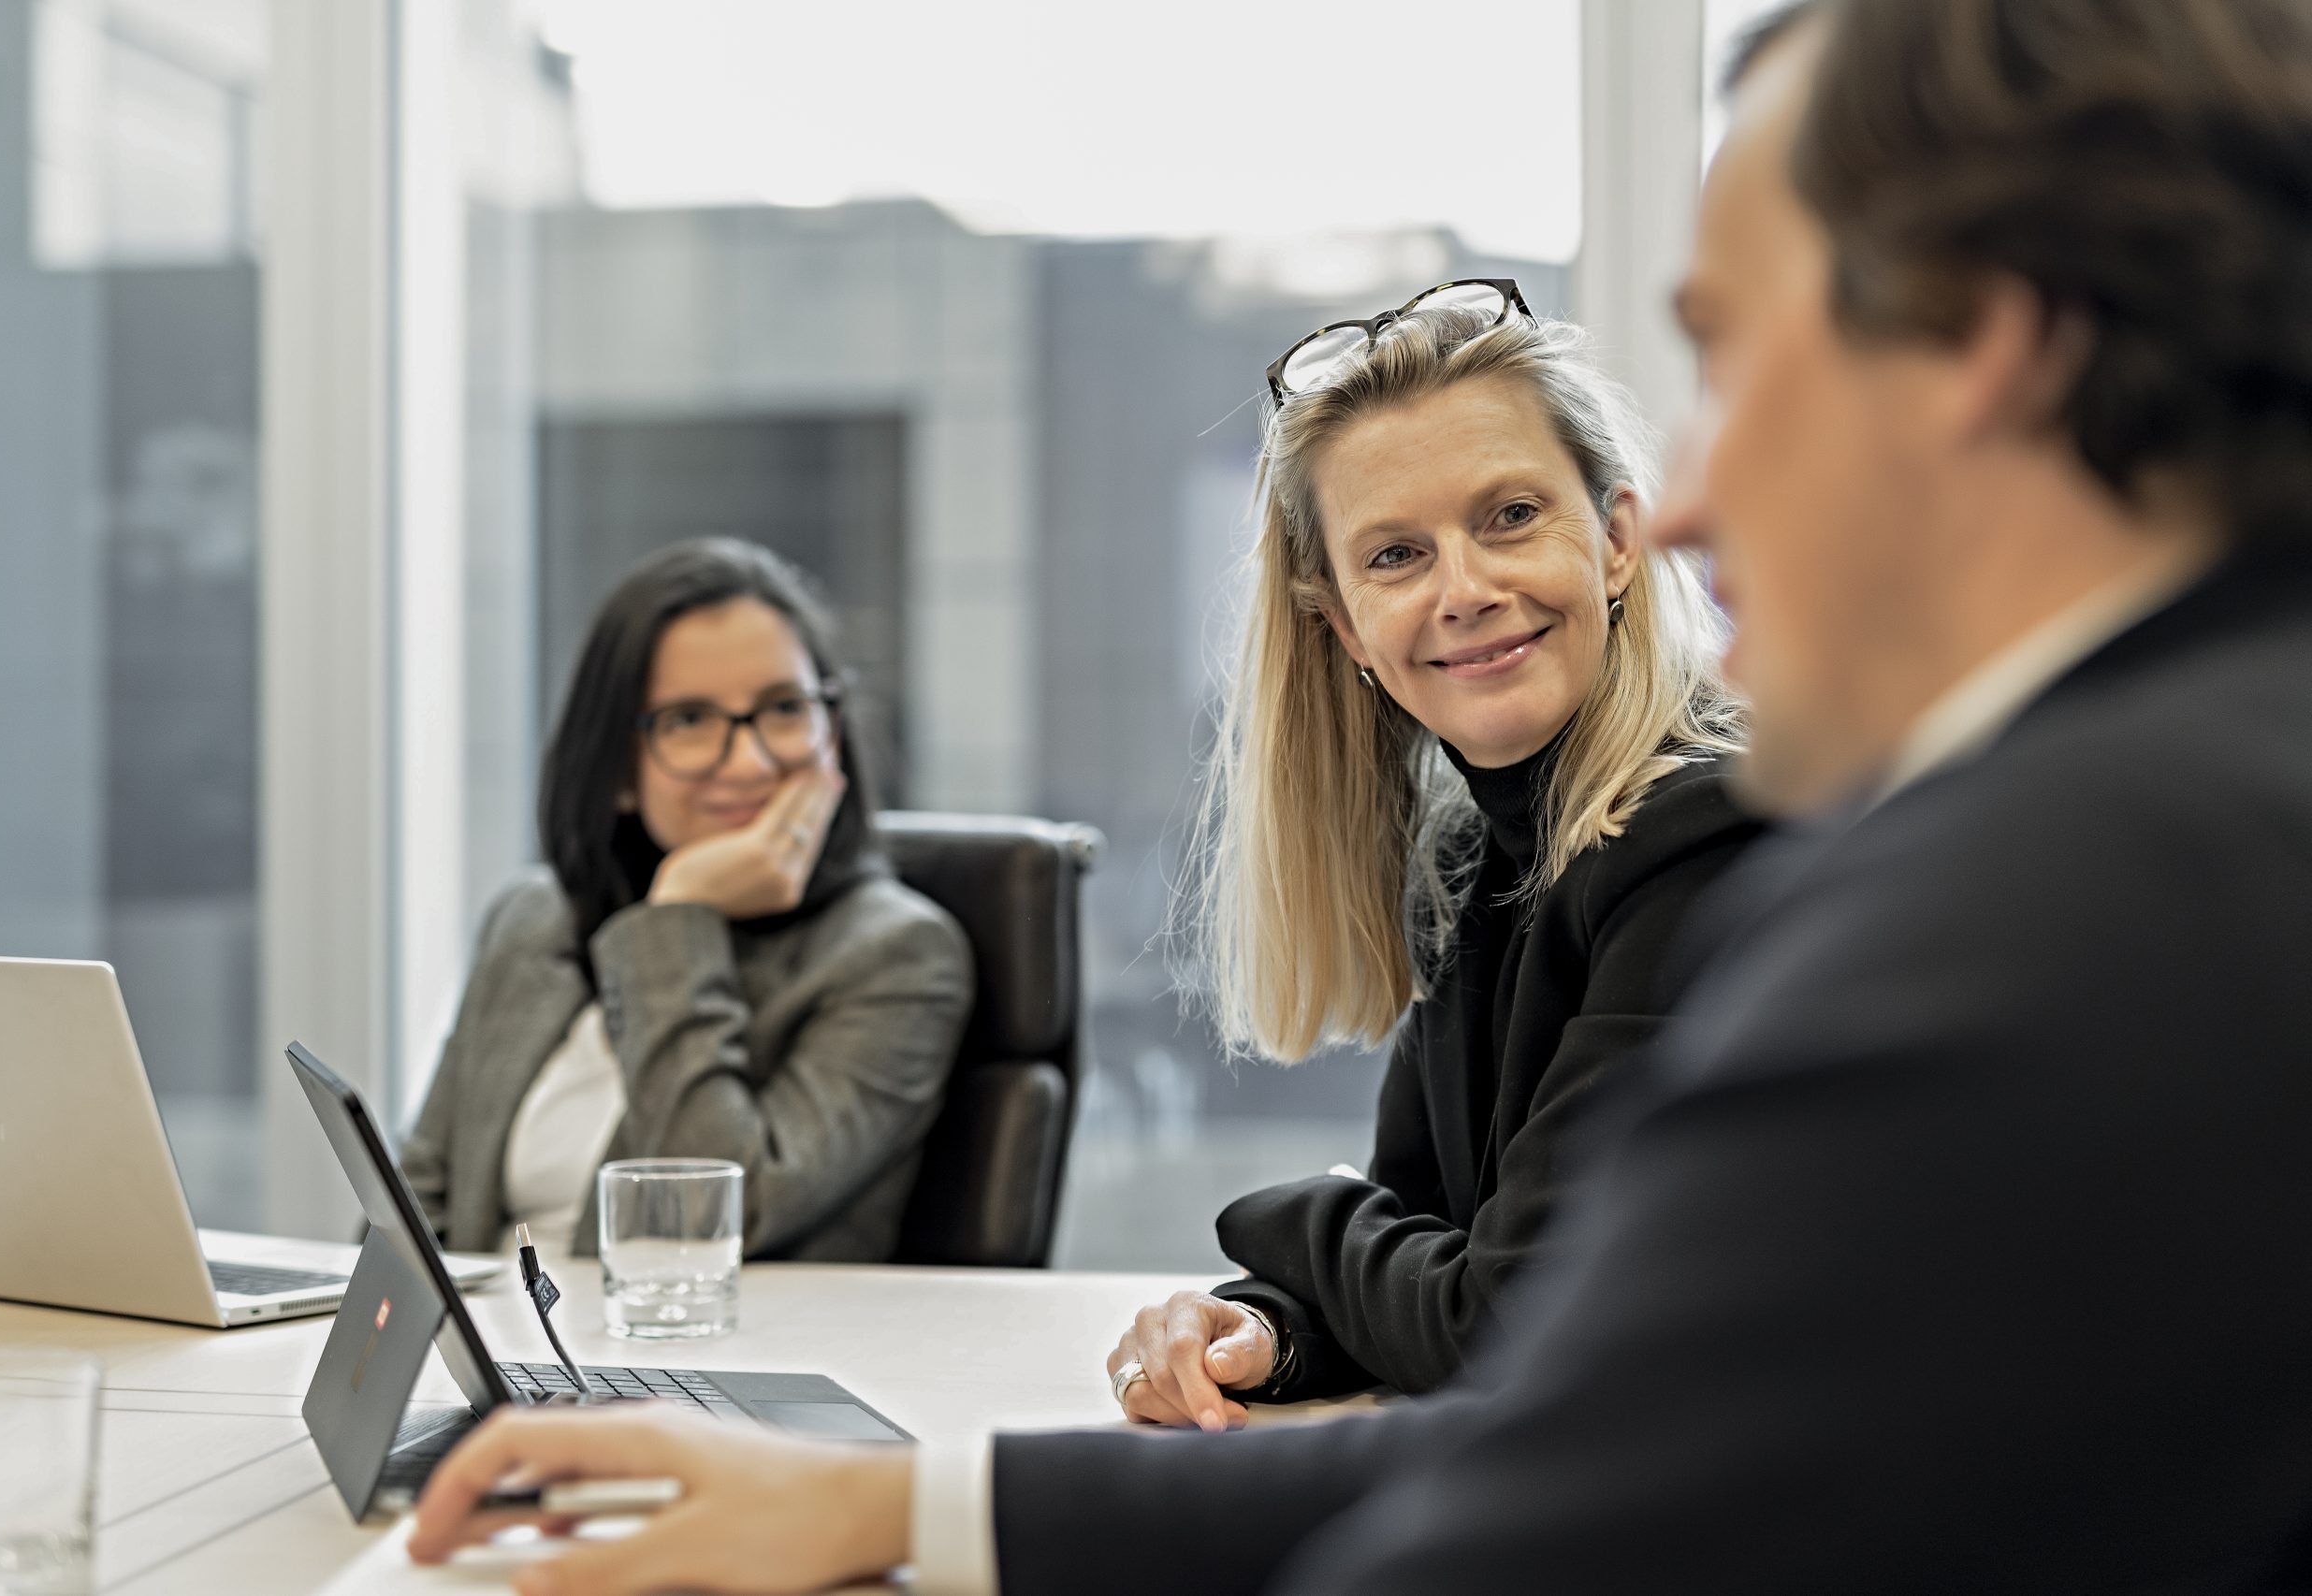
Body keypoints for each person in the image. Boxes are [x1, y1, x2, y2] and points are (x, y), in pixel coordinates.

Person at [409, 2, 2312, 1591]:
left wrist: (1267, 1238)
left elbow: (1527, 1415)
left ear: (1978, 340)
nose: (1699, 507)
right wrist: (900, 1497)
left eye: (1730, 357)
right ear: (1327, 620)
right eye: (1393, 553)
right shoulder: (2101, 815)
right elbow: (1582, 1403)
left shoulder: (2066, 891)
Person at [1110, 300, 1759, 1430]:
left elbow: (1506, 1321)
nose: (1461, 588)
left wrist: (1285, 1224)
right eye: (1396, 554)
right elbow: (1425, 1229)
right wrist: (1268, 1325)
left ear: (1615, 540)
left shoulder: (1704, 840)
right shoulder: (1478, 851)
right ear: (1345, 627)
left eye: (1510, 515)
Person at [400, 538, 973, 1261]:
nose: (749, 760)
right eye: (690, 721)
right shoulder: (533, 918)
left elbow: (713, 1222)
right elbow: (416, 1204)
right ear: (616, 770)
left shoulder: (898, 958)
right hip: (490, 1357)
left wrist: (677, 921)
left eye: (784, 709)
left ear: (833, 734)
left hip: (699, 1364)